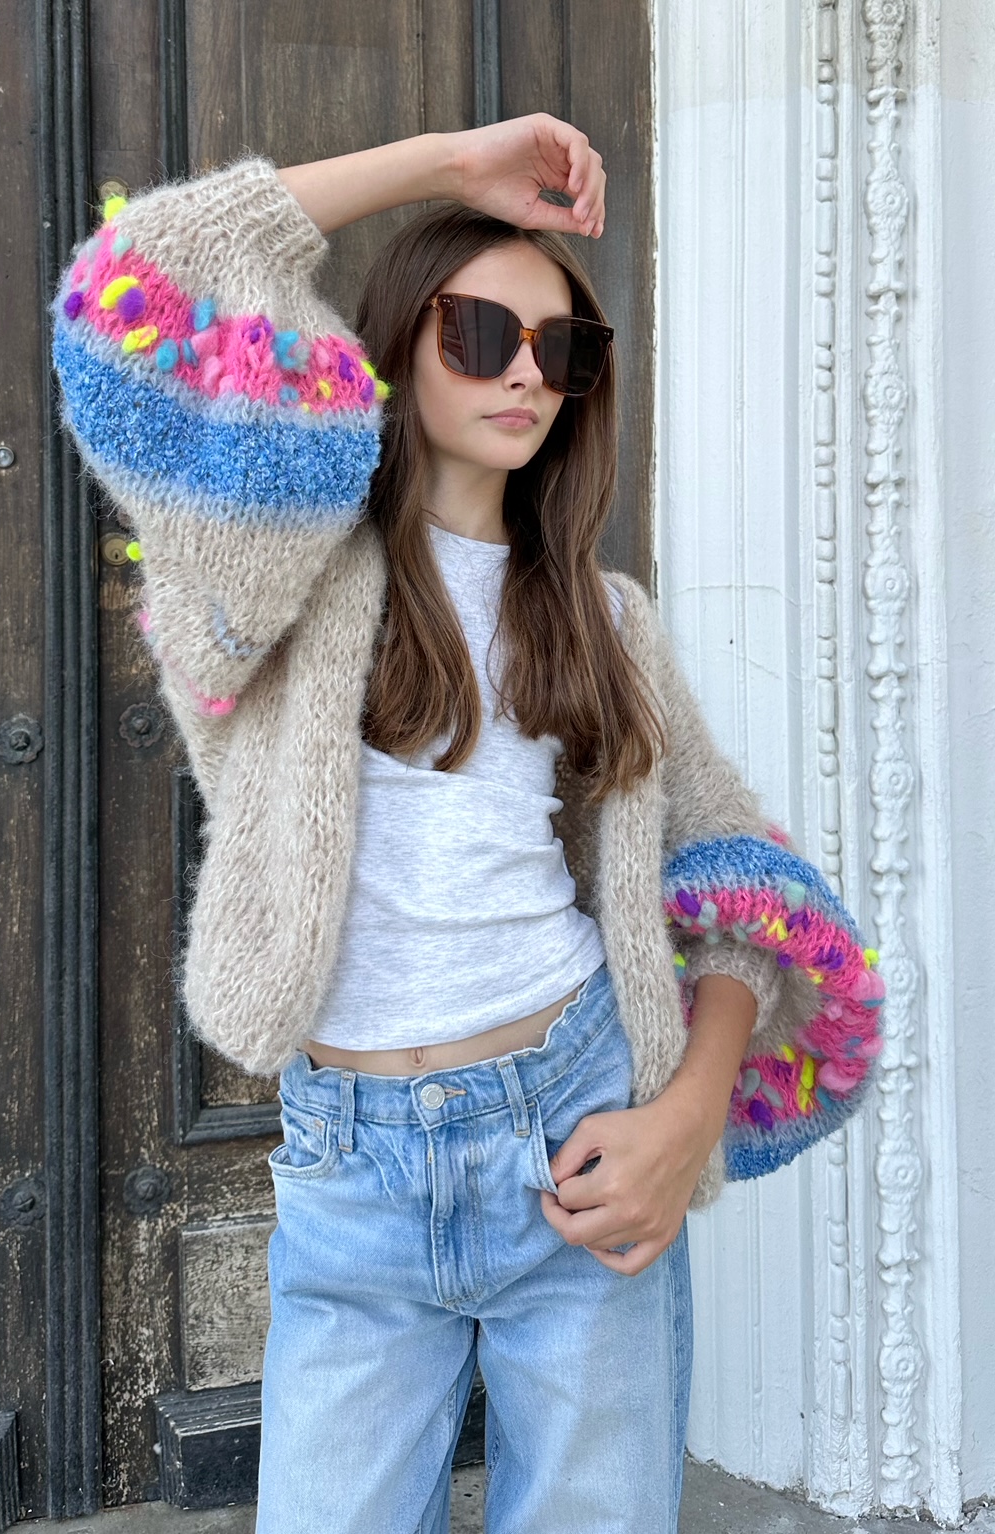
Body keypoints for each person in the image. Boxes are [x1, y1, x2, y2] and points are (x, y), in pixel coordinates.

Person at [50, 112, 885, 1534]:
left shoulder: (607, 619)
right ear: (401, 341)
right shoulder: (272, 567)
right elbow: (143, 274)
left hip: (577, 1129)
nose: (525, 373)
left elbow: (738, 885)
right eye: (482, 331)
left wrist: (687, 1119)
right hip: (352, 1178)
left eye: (563, 350)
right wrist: (445, 166)